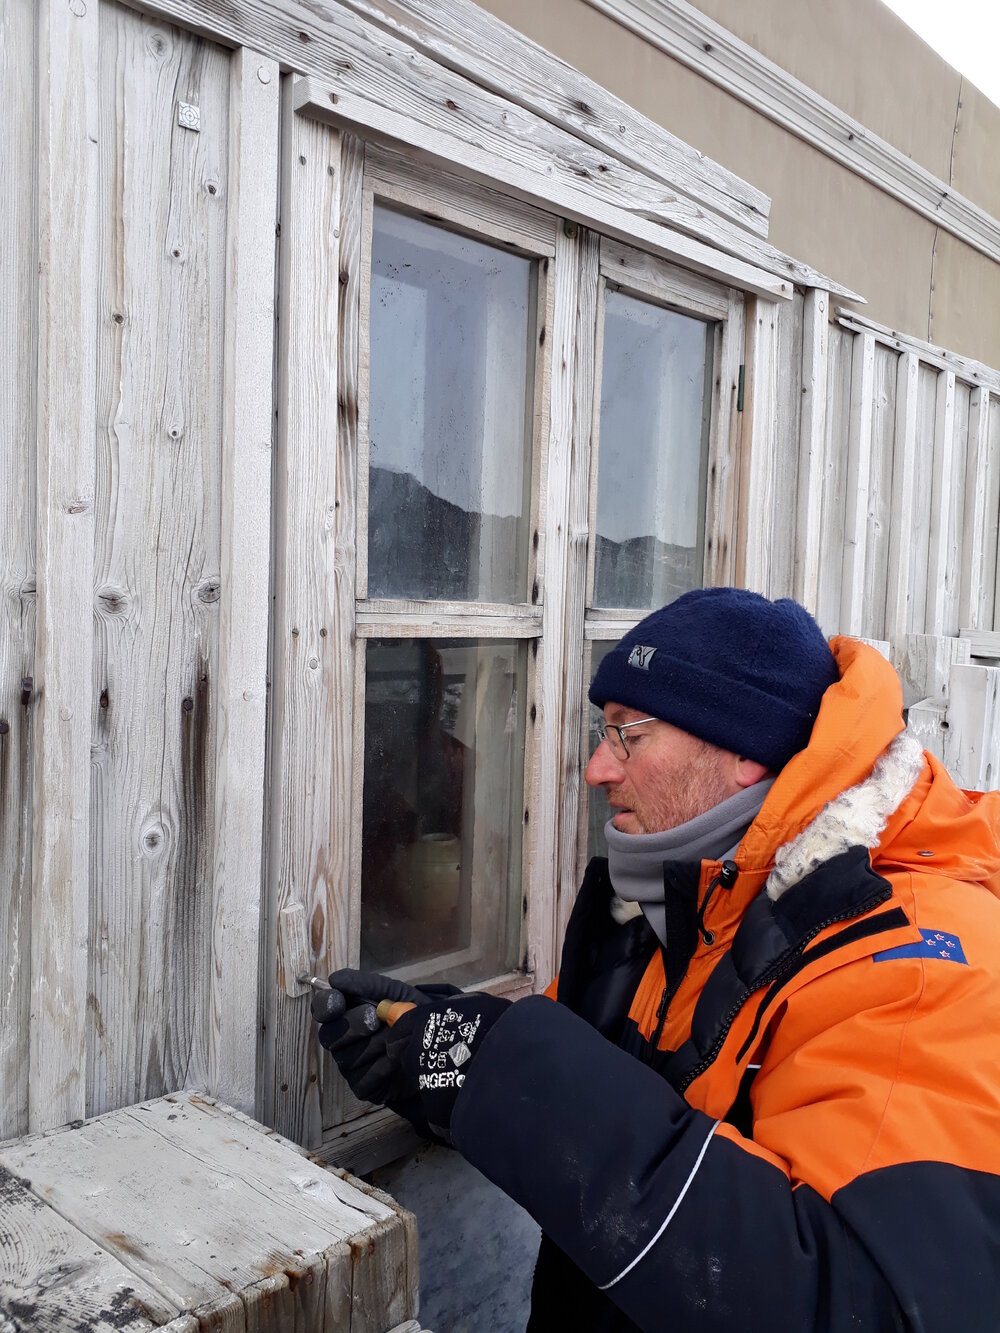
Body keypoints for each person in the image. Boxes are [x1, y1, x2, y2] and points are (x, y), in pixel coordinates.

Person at [313, 588, 1000, 1331]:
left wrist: (498, 1062)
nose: (596, 769)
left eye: (626, 737)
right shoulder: (702, 896)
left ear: (743, 750)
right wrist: (436, 1047)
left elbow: (866, 1301)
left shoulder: (918, 968)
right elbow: (607, 1072)